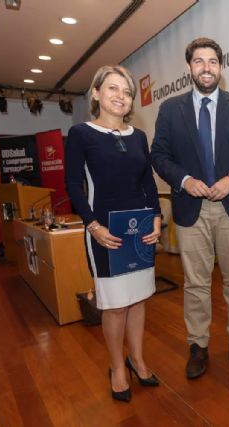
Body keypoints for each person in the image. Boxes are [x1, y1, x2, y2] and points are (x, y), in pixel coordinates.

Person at [150, 37, 229, 379]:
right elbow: (159, 156)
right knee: (196, 284)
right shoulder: (171, 109)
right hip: (189, 209)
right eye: (199, 61)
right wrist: (184, 180)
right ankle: (198, 345)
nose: (206, 68)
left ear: (221, 67)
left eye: (212, 61)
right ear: (189, 68)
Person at [65, 65, 162, 402]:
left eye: (127, 91)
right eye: (113, 89)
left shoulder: (138, 137)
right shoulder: (81, 134)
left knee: (137, 300)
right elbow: (73, 185)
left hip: (139, 231)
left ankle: (136, 359)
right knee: (115, 306)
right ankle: (117, 367)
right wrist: (93, 225)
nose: (121, 96)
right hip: (105, 231)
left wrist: (157, 218)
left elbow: (147, 182)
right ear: (96, 93)